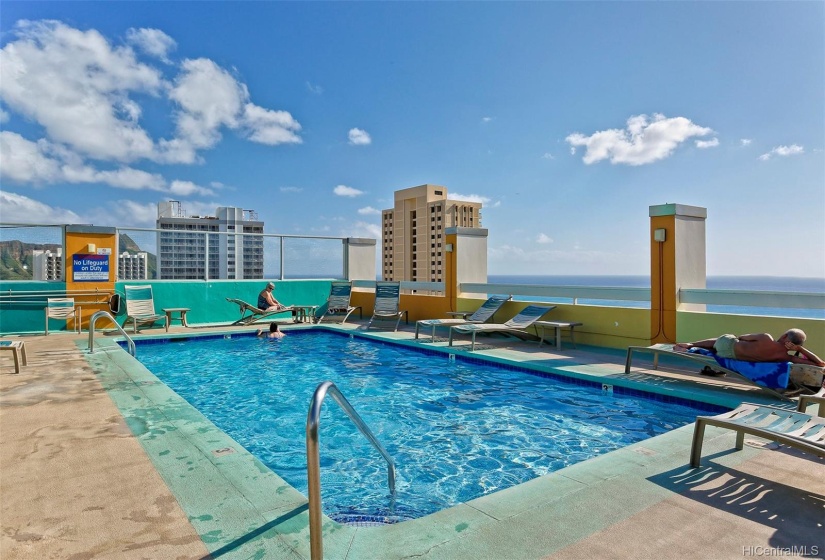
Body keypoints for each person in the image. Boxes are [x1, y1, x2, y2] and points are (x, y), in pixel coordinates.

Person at [676, 328, 824, 366]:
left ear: (785, 337)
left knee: (729, 338)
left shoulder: (766, 338)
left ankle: (691, 345)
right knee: (726, 345)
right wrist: (800, 350)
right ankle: (692, 347)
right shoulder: (785, 357)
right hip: (731, 357)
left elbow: (742, 337)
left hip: (725, 347)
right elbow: (820, 363)